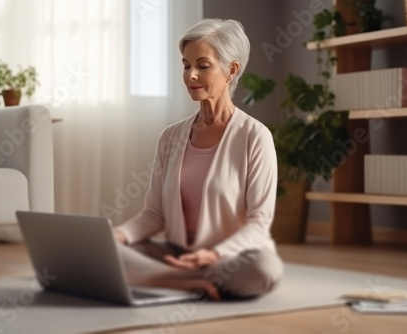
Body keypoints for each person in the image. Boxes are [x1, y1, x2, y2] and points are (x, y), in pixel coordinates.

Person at [113, 18, 283, 301]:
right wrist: (117, 236)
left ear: (231, 70)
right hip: (176, 254)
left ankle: (166, 280)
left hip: (232, 257)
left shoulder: (255, 136)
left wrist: (214, 253)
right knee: (109, 250)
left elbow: (258, 223)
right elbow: (154, 215)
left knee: (263, 269)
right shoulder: (170, 137)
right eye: (186, 65)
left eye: (202, 66)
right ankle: (186, 281)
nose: (190, 75)